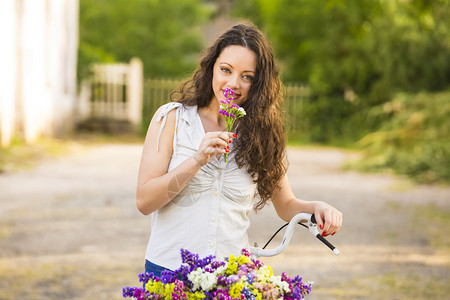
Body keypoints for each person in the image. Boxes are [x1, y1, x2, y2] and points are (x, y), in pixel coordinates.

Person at [136, 23, 342, 277]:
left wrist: (317, 207)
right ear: (212, 67)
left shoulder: (262, 134)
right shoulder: (173, 119)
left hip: (231, 278)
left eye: (247, 76)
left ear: (258, 83)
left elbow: (286, 205)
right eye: (226, 70)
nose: (234, 83)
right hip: (169, 274)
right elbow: (145, 201)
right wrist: (197, 160)